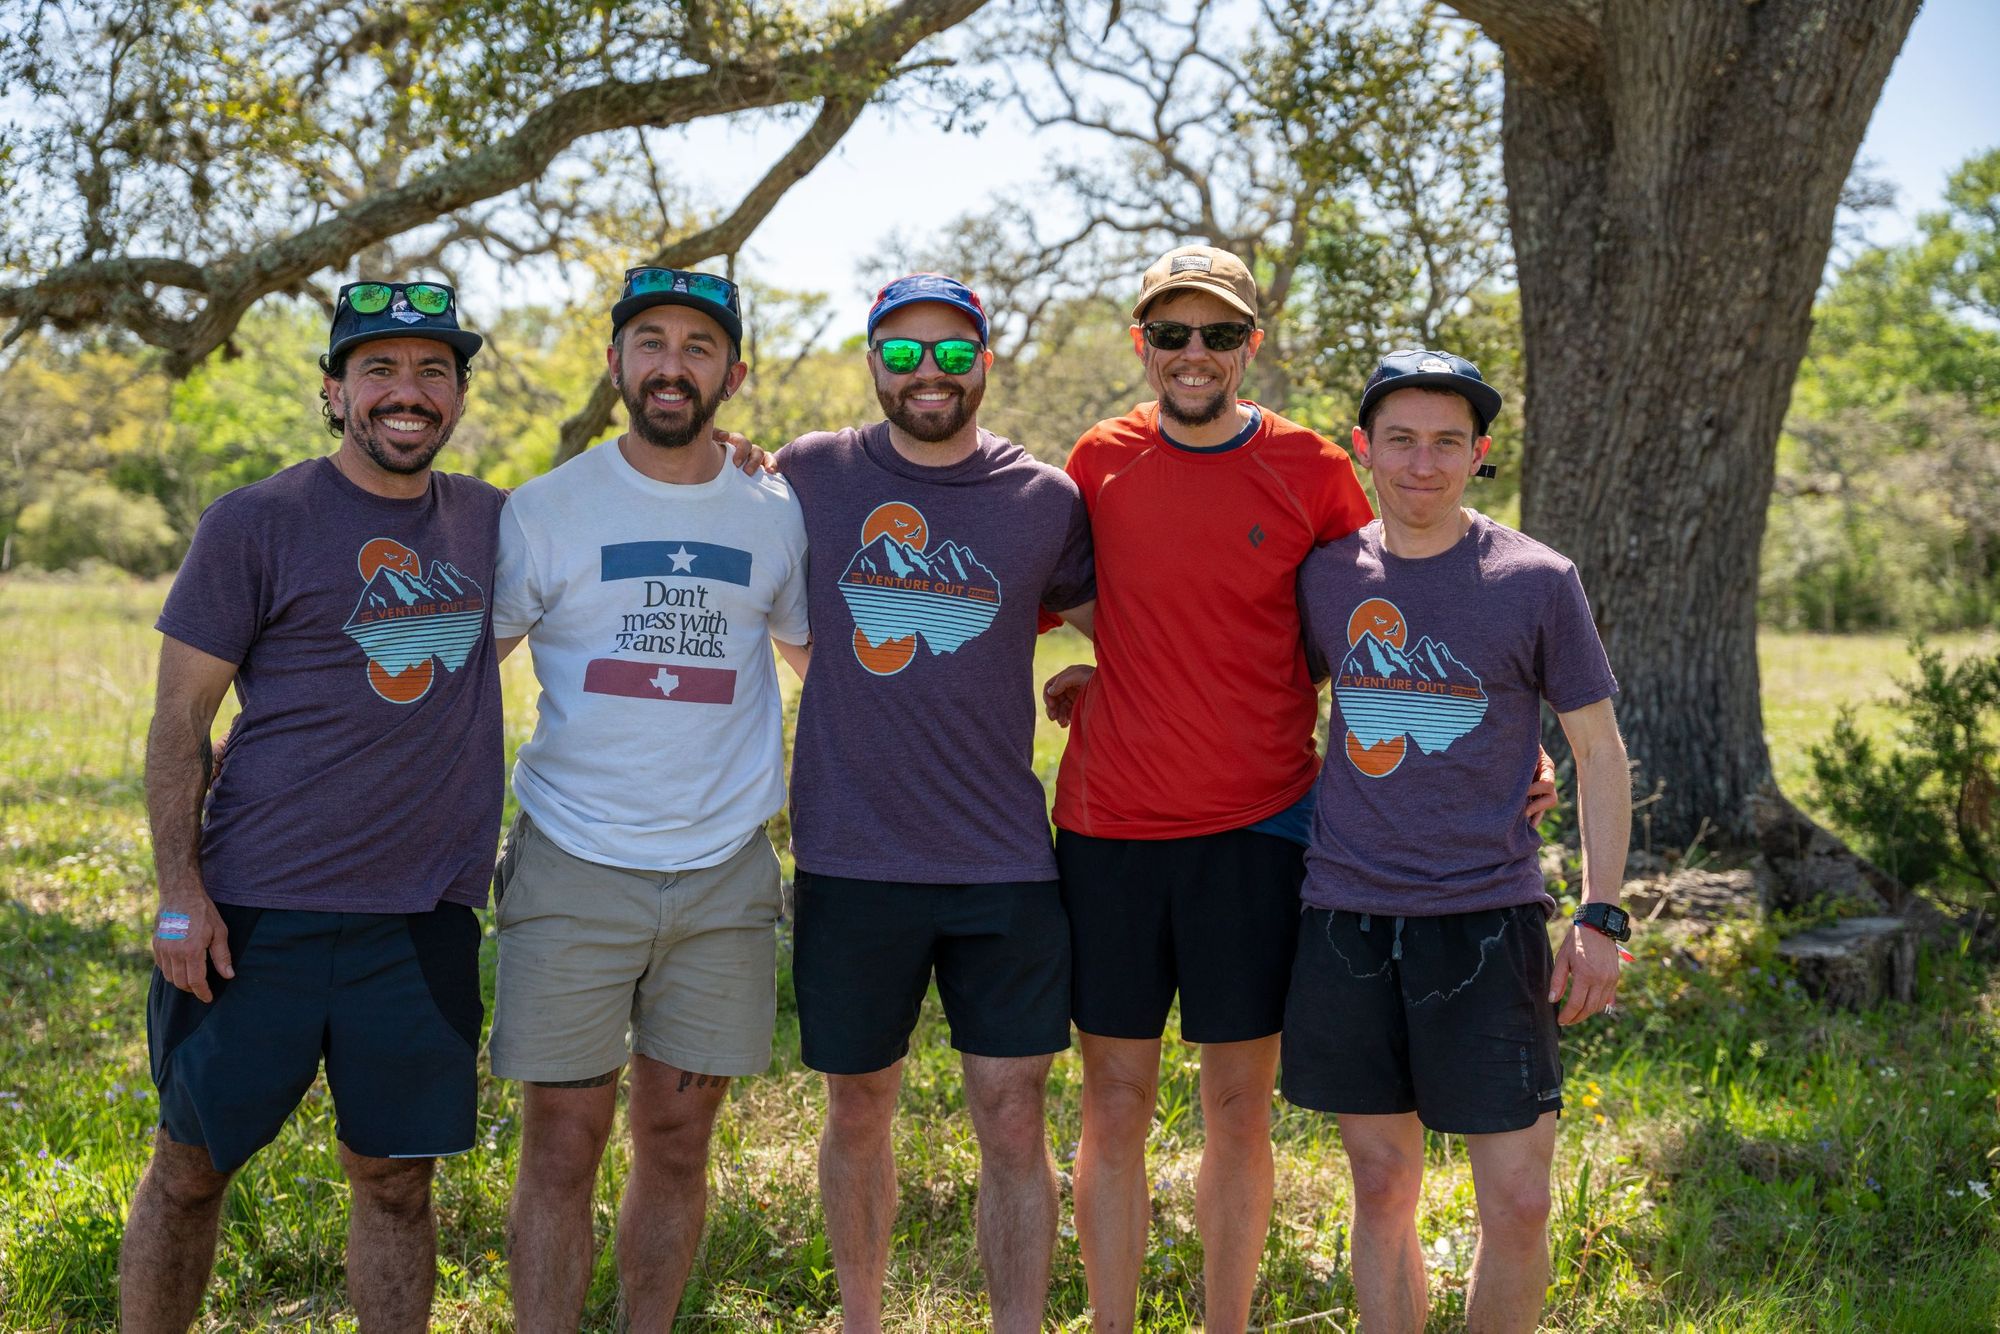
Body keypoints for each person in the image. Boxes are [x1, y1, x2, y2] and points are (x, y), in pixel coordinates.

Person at [1042, 248, 1555, 1332]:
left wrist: (1500, 745)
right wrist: (1108, 657)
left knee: (1236, 1109)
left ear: (1249, 346)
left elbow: (1389, 611)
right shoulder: (1096, 460)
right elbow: (1070, 592)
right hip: (1108, 824)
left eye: (1217, 335)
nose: (1193, 354)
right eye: (1171, 334)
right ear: (1141, 343)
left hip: (1264, 825)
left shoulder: (1311, 466)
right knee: (1113, 1103)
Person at [122, 282, 503, 1334]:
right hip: (255, 916)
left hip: (420, 919)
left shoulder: (490, 521)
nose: (407, 391)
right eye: (378, 368)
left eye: (433, 370)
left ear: (459, 395)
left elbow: (625, 520)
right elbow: (177, 720)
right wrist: (178, 892)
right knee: (189, 1169)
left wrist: (737, 467)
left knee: (395, 1181)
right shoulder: (257, 520)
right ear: (335, 391)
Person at [1281, 348, 1630, 1334]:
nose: (1420, 463)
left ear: (1478, 454)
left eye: (1445, 442)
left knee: (1516, 1201)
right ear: (1363, 449)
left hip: (1488, 916)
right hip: (1347, 915)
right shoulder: (1324, 575)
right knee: (1383, 1184)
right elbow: (1259, 701)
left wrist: (1599, 911)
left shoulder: (1534, 579)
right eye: (1399, 440)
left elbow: (1598, 750)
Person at [775, 273, 1096, 1334]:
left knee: (1012, 1115)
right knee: (857, 1106)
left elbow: (1143, 629)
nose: (927, 373)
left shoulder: (1042, 500)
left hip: (1001, 860)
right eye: (904, 352)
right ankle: (860, 1317)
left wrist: (1103, 676)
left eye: (952, 354)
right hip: (849, 855)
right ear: (871, 360)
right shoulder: (806, 474)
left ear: (983, 363)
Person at [489, 268, 809, 1331]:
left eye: (698, 346)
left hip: (723, 873)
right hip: (573, 863)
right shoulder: (544, 509)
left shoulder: (776, 509)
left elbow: (822, 662)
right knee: (561, 1141)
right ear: (616, 361)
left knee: (678, 1143)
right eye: (650, 342)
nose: (672, 364)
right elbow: (454, 681)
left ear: (733, 371)